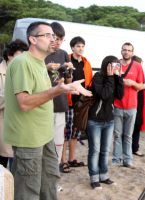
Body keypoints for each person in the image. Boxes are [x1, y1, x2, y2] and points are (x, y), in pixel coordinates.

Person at [3, 21, 91, 200]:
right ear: (33, 39)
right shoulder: (22, 62)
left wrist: (65, 85)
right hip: (28, 140)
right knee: (28, 191)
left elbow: (46, 92)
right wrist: (58, 90)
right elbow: (24, 103)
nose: (54, 39)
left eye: (55, 36)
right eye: (48, 35)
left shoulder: (41, 63)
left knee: (49, 182)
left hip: (45, 136)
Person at [87, 55, 123, 189]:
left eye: (117, 66)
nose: (115, 68)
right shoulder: (98, 77)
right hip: (95, 120)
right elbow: (104, 94)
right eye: (113, 65)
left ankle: (104, 176)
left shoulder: (114, 78)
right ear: (107, 65)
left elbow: (120, 95)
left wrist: (119, 78)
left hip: (109, 119)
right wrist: (109, 77)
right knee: (94, 150)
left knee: (105, 150)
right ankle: (94, 178)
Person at [44, 22, 73, 174]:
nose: (57, 42)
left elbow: (67, 82)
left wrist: (68, 72)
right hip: (44, 106)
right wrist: (46, 68)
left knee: (58, 144)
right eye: (55, 38)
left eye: (61, 39)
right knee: (44, 147)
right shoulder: (42, 53)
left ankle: (53, 179)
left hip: (61, 105)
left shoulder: (63, 54)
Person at [112, 42, 145, 168]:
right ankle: (116, 159)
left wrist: (132, 83)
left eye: (129, 50)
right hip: (117, 105)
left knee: (128, 135)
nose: (126, 52)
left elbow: (142, 86)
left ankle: (128, 159)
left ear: (132, 52)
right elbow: (110, 83)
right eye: (124, 50)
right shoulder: (116, 65)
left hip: (132, 106)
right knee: (117, 134)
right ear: (121, 51)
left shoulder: (137, 66)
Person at [63, 36, 93, 168]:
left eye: (82, 46)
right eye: (78, 46)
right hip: (69, 101)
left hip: (81, 103)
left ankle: (72, 159)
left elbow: (89, 82)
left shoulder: (86, 63)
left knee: (76, 132)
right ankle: (63, 161)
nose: (80, 48)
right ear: (72, 48)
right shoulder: (67, 61)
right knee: (66, 132)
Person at [0, 39, 28, 169]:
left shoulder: (23, 71)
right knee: (3, 162)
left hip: (20, 125)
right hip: (3, 124)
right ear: (9, 55)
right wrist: (15, 96)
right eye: (19, 56)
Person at [131, 55, 145, 157]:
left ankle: (135, 148)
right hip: (130, 102)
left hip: (139, 103)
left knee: (137, 124)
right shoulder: (129, 73)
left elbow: (143, 85)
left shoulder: (141, 74)